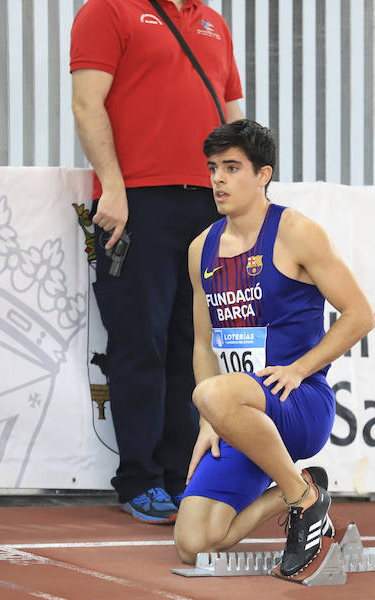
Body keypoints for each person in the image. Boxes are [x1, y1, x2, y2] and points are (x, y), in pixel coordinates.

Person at [173, 120, 375, 576]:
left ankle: (303, 503)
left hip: (297, 404)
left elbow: (360, 314)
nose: (218, 180)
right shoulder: (200, 249)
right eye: (212, 169)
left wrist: (301, 369)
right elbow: (203, 344)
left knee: (210, 393)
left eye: (231, 168)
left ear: (263, 175)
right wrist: (213, 422)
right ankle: (296, 489)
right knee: (194, 543)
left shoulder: (296, 232)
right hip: (241, 414)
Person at [70, 0, 244, 524]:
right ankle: (140, 478)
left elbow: (234, 118)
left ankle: (180, 476)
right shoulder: (107, 10)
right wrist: (114, 186)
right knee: (139, 340)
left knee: (193, 346)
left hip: (206, 208)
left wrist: (241, 195)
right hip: (139, 202)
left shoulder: (214, 22)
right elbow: (86, 104)